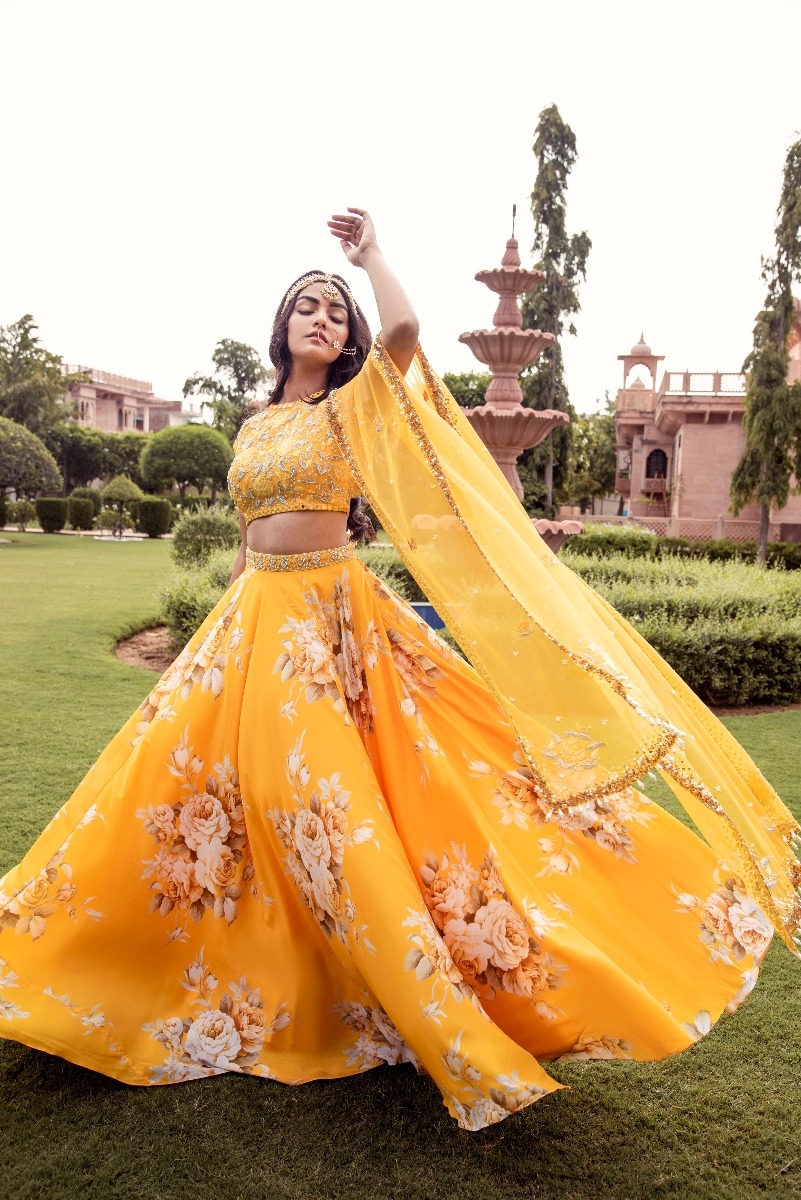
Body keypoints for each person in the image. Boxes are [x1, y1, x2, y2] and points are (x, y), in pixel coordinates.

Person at [1, 210, 799, 1133]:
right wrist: (211, 635)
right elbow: (245, 538)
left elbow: (410, 335)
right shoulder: (255, 424)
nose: (323, 319)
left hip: (328, 622)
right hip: (250, 621)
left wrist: (368, 256)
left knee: (337, 806)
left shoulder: (354, 408)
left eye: (336, 313)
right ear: (281, 328)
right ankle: (93, 959)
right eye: (307, 307)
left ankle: (416, 992)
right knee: (193, 803)